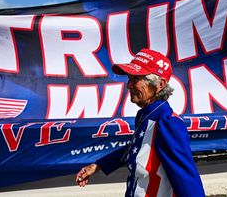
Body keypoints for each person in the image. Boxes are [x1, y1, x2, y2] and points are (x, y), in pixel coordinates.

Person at [76, 48, 205, 197]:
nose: (128, 85)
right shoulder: (145, 115)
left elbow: (186, 177)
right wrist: (98, 165)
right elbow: (137, 148)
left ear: (160, 85)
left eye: (136, 79)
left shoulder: (168, 123)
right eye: (129, 78)